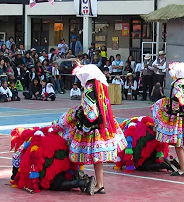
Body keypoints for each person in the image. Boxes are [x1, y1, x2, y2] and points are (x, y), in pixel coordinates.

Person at [51, 62, 128, 194]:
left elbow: (91, 112)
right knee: (97, 158)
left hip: (92, 126)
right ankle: (100, 184)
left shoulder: (89, 88)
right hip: (103, 124)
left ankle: (97, 183)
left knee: (85, 151)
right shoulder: (100, 87)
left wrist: (83, 122)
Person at [9, 127, 96, 195]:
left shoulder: (25, 146)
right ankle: (79, 178)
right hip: (61, 157)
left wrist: (16, 179)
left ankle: (82, 182)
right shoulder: (41, 135)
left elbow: (16, 170)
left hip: (51, 163)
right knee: (61, 174)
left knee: (54, 183)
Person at [151, 62, 184, 176]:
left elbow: (177, 100)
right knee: (182, 142)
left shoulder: (179, 83)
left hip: (179, 116)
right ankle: (181, 165)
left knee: (178, 143)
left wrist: (167, 108)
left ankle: (183, 169)